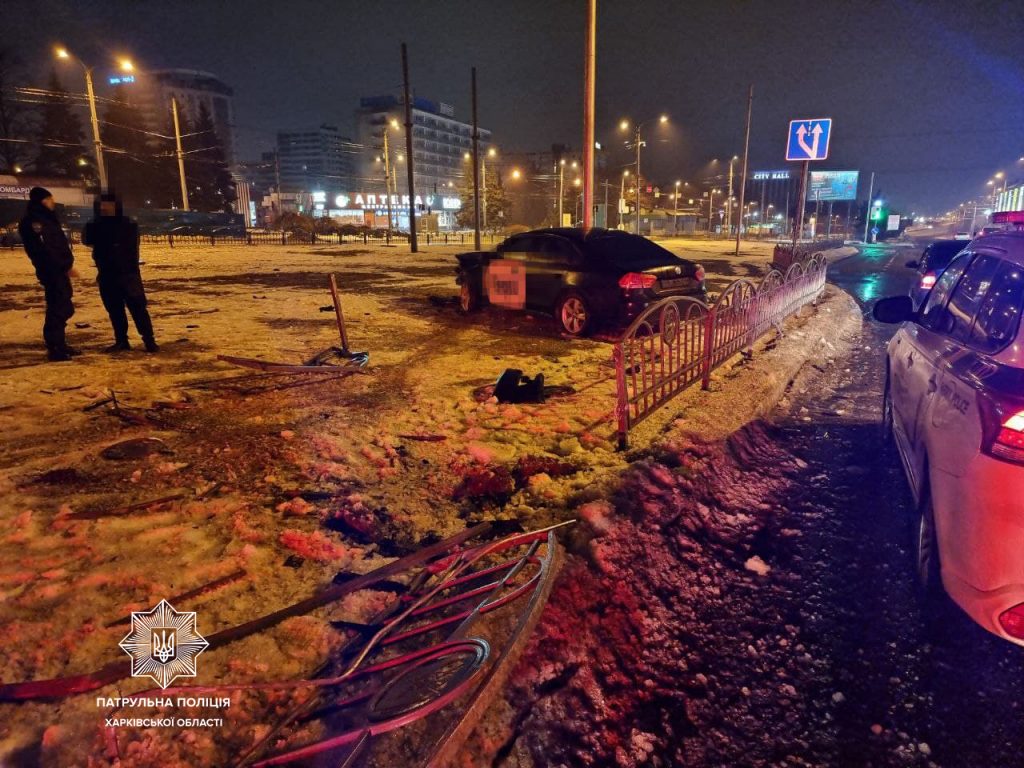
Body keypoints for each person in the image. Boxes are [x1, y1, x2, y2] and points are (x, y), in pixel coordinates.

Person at [82, 192, 158, 353]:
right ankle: (122, 340)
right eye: (102, 205)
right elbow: (86, 240)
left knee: (138, 309)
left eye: (109, 204)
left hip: (127, 274)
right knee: (115, 310)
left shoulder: (127, 224)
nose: (105, 208)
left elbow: (128, 248)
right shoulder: (95, 224)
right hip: (107, 274)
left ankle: (149, 340)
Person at [18, 187, 78, 362]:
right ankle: (55, 347)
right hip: (52, 270)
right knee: (59, 307)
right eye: (50, 199)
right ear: (43, 200)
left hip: (59, 269)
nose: (53, 202)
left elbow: (58, 244)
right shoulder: (35, 221)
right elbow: (45, 249)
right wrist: (61, 265)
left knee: (62, 305)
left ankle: (59, 343)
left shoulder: (47, 218)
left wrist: (67, 264)